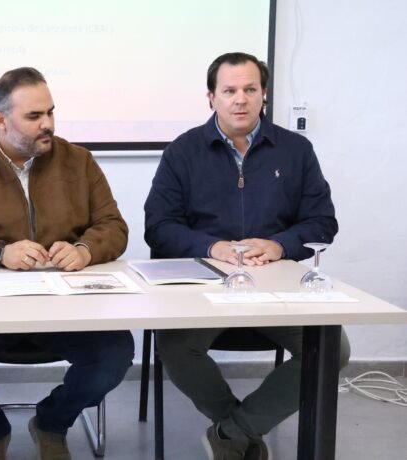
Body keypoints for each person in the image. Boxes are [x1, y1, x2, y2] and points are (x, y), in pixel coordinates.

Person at [144, 52, 351, 460]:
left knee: (334, 349)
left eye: (250, 89)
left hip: (275, 285)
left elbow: (322, 222)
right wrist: (212, 247)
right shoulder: (183, 151)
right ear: (211, 97)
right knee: (176, 348)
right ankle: (238, 429)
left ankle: (231, 433)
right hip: (203, 284)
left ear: (264, 94)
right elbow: (159, 226)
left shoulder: (295, 150)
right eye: (229, 91)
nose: (240, 99)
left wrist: (278, 245)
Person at [0, 67, 134, 460]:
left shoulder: (79, 161)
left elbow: (113, 226)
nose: (47, 124)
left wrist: (85, 249)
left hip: (64, 309)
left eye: (50, 112)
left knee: (114, 354)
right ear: (0, 120)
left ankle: (51, 422)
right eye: (34, 116)